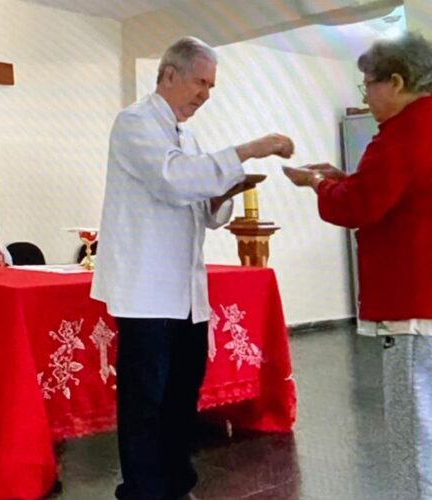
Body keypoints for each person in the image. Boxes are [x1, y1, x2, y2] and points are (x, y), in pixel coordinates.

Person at [283, 33, 432, 500]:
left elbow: (360, 207)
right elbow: (397, 196)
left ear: (397, 81)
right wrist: (344, 181)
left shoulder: (410, 131)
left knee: (420, 454)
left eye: (367, 85)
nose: (365, 96)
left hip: (427, 314)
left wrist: (317, 185)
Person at [91, 36, 294, 500]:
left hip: (184, 289)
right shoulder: (134, 123)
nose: (205, 94)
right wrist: (248, 149)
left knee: (183, 391)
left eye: (211, 86)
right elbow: (170, 180)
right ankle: (142, 489)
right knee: (145, 398)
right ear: (169, 75)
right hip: (145, 287)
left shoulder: (189, 134)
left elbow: (201, 208)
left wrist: (224, 193)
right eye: (200, 82)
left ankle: (176, 480)